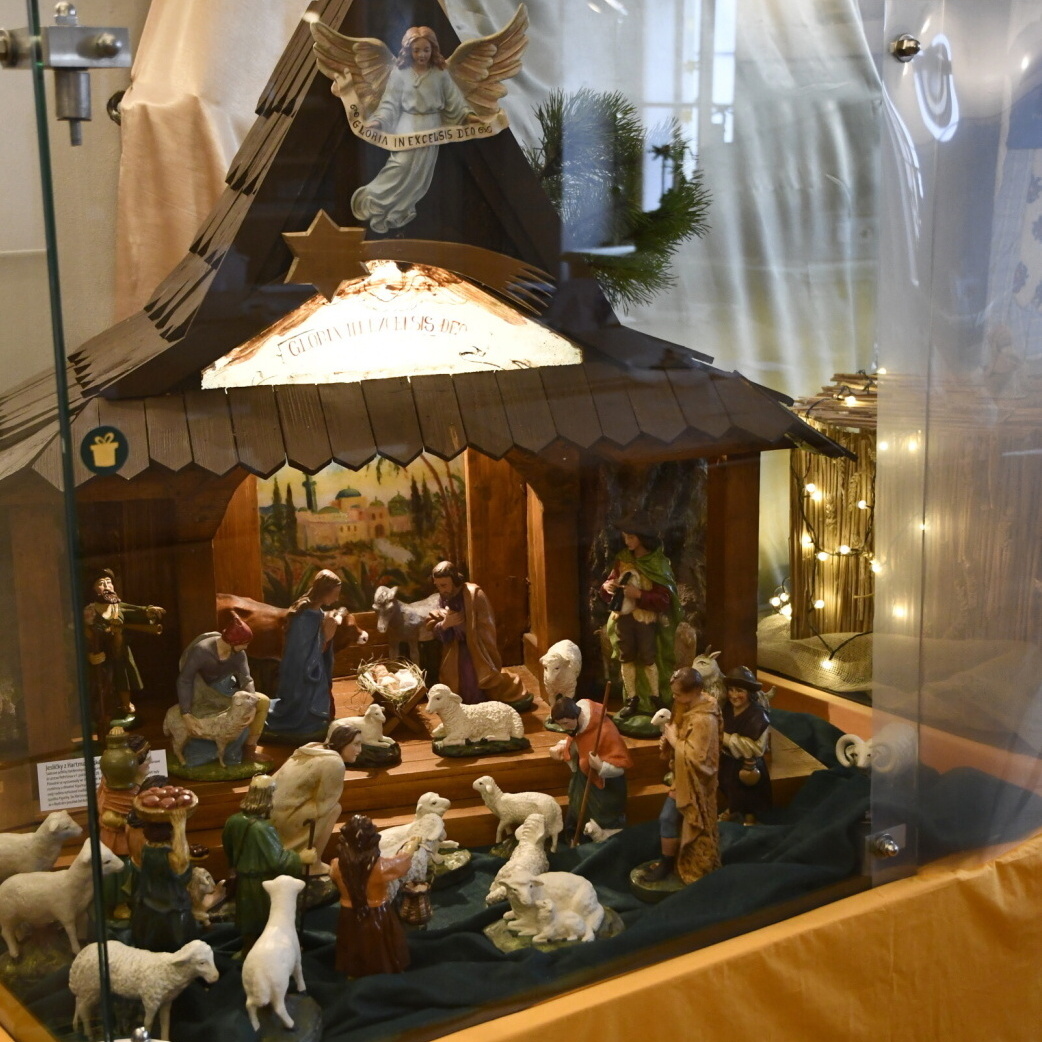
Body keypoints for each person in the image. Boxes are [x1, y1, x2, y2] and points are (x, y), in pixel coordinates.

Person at [352, 26, 476, 233]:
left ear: (433, 49)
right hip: (407, 125)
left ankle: (398, 212)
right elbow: (389, 103)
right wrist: (379, 121)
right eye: (416, 50)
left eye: (426, 50)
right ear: (408, 50)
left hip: (432, 127)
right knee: (400, 165)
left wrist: (469, 116)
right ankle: (371, 199)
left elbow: (454, 100)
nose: (421, 55)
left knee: (420, 175)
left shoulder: (440, 73)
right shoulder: (400, 73)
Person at [639, 667, 721, 884]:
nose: (674, 698)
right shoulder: (686, 705)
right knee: (672, 820)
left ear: (695, 691)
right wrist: (669, 739)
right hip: (682, 777)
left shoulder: (704, 720)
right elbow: (678, 729)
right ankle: (671, 860)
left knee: (670, 817)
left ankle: (672, 864)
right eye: (674, 693)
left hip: (696, 783)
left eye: (678, 694)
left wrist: (675, 740)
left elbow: (700, 759)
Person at [598, 517, 682, 722]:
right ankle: (632, 698)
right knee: (626, 657)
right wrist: (608, 587)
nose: (627, 541)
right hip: (624, 618)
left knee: (648, 657)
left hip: (645, 620)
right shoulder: (623, 558)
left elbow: (664, 599)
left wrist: (639, 595)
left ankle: (654, 696)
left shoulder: (657, 563)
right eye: (625, 537)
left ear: (642, 538)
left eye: (631, 537)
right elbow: (613, 580)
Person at [222, 774, 316, 953]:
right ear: (267, 797)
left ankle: (247, 950)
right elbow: (277, 861)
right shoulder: (263, 829)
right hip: (262, 884)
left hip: (243, 881)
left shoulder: (233, 821)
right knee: (265, 919)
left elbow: (229, 849)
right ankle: (268, 952)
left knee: (249, 920)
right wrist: (300, 858)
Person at [427, 560, 528, 707]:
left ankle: (480, 706)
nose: (441, 590)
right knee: (454, 680)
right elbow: (436, 626)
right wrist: (445, 624)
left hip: (476, 649)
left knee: (472, 678)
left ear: (455, 581)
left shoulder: (474, 595)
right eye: (438, 586)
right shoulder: (444, 597)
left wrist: (464, 627)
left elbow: (486, 627)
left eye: (444, 585)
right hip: (454, 649)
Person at [174, 612, 271, 764]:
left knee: (263, 702)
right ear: (233, 642)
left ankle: (249, 749)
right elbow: (185, 680)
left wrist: (252, 703)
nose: (246, 647)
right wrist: (186, 713)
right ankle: (220, 753)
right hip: (202, 692)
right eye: (244, 643)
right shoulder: (202, 651)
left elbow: (246, 679)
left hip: (226, 689)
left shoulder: (239, 654)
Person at [330, 814, 420, 976]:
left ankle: (354, 969)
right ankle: (383, 968)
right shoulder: (380, 867)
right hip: (377, 912)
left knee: (352, 940)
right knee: (380, 943)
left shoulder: (336, 865)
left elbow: (333, 878)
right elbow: (401, 863)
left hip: (348, 913)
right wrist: (411, 846)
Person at [264, 569, 347, 739]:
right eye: (335, 594)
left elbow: (317, 646)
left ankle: (311, 721)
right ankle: (297, 722)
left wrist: (326, 639)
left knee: (317, 713)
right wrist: (325, 638)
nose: (337, 599)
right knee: (305, 715)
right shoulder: (302, 618)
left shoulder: (318, 614)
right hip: (301, 677)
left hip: (314, 671)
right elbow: (299, 657)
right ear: (324, 591)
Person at [271, 724, 362, 875]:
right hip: (286, 819)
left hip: (271, 812)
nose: (360, 750)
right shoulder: (335, 763)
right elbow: (324, 805)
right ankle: (312, 863)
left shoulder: (312, 748)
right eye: (356, 744)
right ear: (343, 743)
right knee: (334, 809)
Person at [82, 567, 165, 728]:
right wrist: (89, 655)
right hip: (100, 655)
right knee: (101, 683)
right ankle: (101, 712)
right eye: (101, 583)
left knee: (123, 675)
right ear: (93, 589)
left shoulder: (117, 607)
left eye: (109, 582)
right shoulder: (89, 612)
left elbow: (136, 610)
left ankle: (126, 706)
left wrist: (148, 611)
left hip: (119, 650)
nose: (107, 587)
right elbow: (80, 637)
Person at [549, 696, 633, 835]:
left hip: (605, 787)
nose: (564, 728)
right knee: (578, 807)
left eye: (565, 723)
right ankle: (578, 834)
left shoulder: (605, 731)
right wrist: (562, 747)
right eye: (561, 724)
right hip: (582, 780)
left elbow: (621, 764)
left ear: (576, 716)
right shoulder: (578, 726)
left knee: (602, 816)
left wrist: (601, 766)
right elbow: (577, 740)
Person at [130, 791, 197, 952]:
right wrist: (180, 828)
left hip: (148, 905)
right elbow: (183, 865)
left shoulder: (146, 850)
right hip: (170, 908)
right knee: (176, 943)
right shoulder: (169, 856)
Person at [96, 729, 151, 919]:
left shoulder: (135, 783)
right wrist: (129, 822)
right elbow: (108, 817)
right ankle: (120, 904)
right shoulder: (117, 787)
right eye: (146, 759)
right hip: (119, 840)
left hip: (136, 837)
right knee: (122, 871)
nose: (151, 762)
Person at [718, 666, 773, 824]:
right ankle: (734, 811)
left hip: (748, 765)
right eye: (731, 690)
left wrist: (725, 738)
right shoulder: (726, 710)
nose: (734, 695)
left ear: (749, 693)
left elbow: (756, 748)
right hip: (728, 761)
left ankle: (749, 817)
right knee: (728, 786)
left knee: (749, 792)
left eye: (739, 691)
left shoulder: (758, 716)